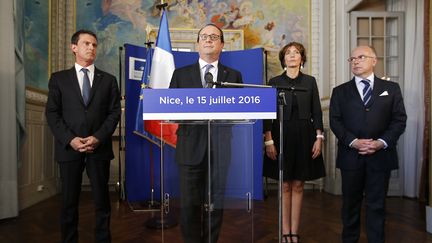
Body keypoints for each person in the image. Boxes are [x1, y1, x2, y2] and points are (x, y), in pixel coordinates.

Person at [169, 23, 243, 243]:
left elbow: (239, 113)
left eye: (214, 37)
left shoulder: (235, 76)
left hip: (220, 149)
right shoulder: (180, 75)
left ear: (222, 44)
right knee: (190, 203)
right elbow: (171, 111)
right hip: (190, 148)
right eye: (204, 36)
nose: (208, 40)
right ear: (198, 43)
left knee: (215, 203)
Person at [45, 29, 121, 243]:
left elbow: (114, 112)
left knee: (102, 202)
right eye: (87, 43)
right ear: (74, 47)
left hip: (99, 148)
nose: (91, 48)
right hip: (69, 149)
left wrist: (98, 137)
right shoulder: (59, 79)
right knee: (69, 202)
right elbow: (52, 113)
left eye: (95, 45)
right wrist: (71, 139)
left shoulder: (108, 80)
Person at [329, 45, 407, 243]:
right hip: (350, 157)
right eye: (352, 59)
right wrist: (353, 142)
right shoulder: (340, 91)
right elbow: (335, 122)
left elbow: (399, 120)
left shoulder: (391, 89)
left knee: (377, 205)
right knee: (350, 206)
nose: (355, 61)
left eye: (360, 57)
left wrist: (381, 142)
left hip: (380, 157)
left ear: (374, 60)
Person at [263, 42, 326, 243]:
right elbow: (268, 115)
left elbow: (316, 111)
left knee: (299, 184)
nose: (292, 55)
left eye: (296, 52)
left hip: (305, 136)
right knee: (284, 186)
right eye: (288, 53)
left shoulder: (310, 81)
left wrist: (319, 138)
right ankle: (284, 231)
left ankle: (294, 232)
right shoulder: (273, 81)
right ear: (283, 58)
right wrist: (268, 141)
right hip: (281, 135)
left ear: (301, 58)